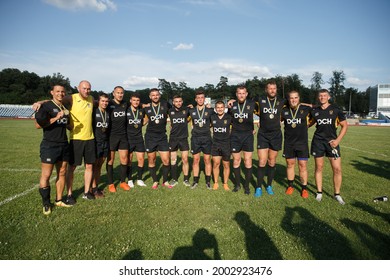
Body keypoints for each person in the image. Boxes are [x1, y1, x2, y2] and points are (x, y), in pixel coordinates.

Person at [33, 80, 97, 203]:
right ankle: (69, 194)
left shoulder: (91, 99)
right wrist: (39, 102)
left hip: (90, 138)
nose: (86, 91)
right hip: (75, 139)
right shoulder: (71, 98)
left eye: (88, 88)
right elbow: (53, 101)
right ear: (78, 88)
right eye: (84, 88)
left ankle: (86, 192)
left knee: (89, 166)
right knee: (71, 168)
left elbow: (103, 103)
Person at [34, 83, 72, 214]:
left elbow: (67, 124)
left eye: (62, 92)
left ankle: (59, 200)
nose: (60, 93)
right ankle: (46, 203)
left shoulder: (65, 106)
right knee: (46, 174)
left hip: (64, 144)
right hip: (50, 145)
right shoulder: (45, 106)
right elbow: (38, 125)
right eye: (57, 91)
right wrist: (56, 117)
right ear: (52, 92)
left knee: (62, 172)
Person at [310, 89, 348, 204]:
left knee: (337, 169)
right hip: (318, 142)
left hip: (332, 143)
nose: (322, 97)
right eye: (320, 96)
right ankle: (319, 192)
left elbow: (345, 126)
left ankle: (337, 194)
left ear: (328, 97)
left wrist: (337, 140)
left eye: (324, 95)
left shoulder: (336, 110)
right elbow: (308, 124)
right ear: (318, 97)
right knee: (319, 168)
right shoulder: (314, 111)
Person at [254, 80, 286, 197]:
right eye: (270, 88)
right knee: (262, 161)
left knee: (272, 161)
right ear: (266, 90)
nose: (272, 90)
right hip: (263, 134)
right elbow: (245, 104)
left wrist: (313, 105)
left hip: (276, 134)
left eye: (274, 88)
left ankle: (269, 185)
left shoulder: (282, 101)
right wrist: (232, 101)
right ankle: (258, 187)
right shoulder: (260, 100)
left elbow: (296, 103)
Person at [281, 90, 313, 198]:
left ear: (299, 99)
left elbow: (317, 113)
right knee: (290, 164)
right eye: (291, 98)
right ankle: (290, 186)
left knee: (302, 166)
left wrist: (309, 125)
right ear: (288, 99)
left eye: (295, 97)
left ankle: (304, 188)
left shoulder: (306, 109)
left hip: (302, 143)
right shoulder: (284, 110)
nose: (293, 100)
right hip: (289, 143)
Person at [228, 86, 257, 195]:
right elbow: (227, 118)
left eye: (243, 93)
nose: (241, 95)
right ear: (236, 94)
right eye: (239, 93)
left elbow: (264, 114)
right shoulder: (232, 105)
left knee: (248, 160)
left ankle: (247, 186)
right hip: (235, 135)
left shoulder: (252, 104)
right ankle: (237, 184)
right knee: (236, 160)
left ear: (246, 94)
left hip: (248, 135)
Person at [144, 88, 173, 189]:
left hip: (162, 137)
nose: (155, 96)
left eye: (157, 95)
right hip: (150, 137)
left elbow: (174, 112)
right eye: (153, 95)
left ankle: (165, 181)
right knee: (152, 160)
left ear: (159, 96)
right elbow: (143, 121)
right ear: (150, 97)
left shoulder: (165, 105)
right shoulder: (146, 108)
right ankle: (155, 181)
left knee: (166, 160)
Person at [106, 86, 131, 193]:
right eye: (118, 93)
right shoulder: (109, 104)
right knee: (110, 160)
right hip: (112, 136)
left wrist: (145, 105)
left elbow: (137, 104)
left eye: (121, 93)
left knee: (124, 159)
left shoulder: (125, 104)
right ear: (113, 93)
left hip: (123, 136)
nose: (120, 95)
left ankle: (122, 182)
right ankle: (111, 183)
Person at [189, 91, 214, 189]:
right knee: (196, 160)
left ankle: (208, 181)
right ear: (195, 99)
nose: (200, 99)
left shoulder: (210, 110)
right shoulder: (191, 110)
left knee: (207, 160)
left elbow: (215, 121)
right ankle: (195, 181)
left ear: (204, 99)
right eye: (198, 98)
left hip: (207, 138)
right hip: (195, 138)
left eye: (202, 97)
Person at [168, 95, 191, 187]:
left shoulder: (187, 110)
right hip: (173, 138)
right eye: (176, 101)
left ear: (182, 102)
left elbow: (195, 113)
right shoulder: (170, 111)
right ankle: (174, 179)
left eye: (180, 101)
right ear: (173, 102)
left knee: (185, 159)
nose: (178, 103)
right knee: (173, 159)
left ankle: (186, 179)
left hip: (183, 138)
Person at [90, 93, 110, 198]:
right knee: (93, 166)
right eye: (102, 101)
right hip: (95, 142)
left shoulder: (108, 112)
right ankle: (92, 189)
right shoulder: (93, 111)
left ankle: (95, 187)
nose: (105, 103)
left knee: (99, 166)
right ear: (98, 101)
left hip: (105, 142)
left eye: (106, 101)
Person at [126, 92, 147, 187]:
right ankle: (130, 179)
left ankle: (139, 179)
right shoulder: (126, 110)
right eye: (134, 100)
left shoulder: (141, 111)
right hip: (128, 138)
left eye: (138, 100)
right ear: (130, 101)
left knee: (141, 158)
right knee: (129, 159)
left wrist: (142, 123)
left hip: (139, 138)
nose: (136, 102)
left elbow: (145, 120)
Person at [210, 100, 232, 191]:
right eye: (218, 108)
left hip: (226, 144)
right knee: (216, 164)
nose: (220, 109)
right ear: (215, 109)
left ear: (224, 108)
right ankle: (215, 182)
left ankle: (225, 183)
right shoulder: (212, 117)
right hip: (215, 143)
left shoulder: (229, 117)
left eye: (221, 107)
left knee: (226, 164)